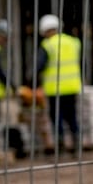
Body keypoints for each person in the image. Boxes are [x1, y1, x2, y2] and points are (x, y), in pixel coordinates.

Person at [34, 14, 83, 153]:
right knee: (72, 116)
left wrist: (32, 80)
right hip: (72, 86)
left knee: (57, 117)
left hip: (55, 89)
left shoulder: (48, 45)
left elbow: (39, 65)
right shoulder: (74, 42)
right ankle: (76, 144)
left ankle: (60, 146)